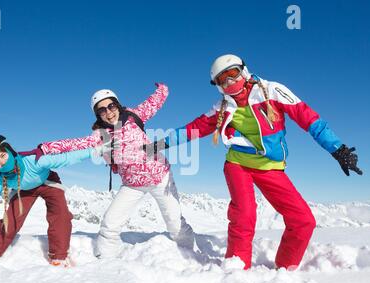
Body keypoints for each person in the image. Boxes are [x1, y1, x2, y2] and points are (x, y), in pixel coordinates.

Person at [145, 54, 363, 270]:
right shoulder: (221, 108)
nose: (230, 82)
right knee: (244, 214)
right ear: (218, 86)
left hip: (270, 167)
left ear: (244, 71)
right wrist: (159, 144)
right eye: (223, 79)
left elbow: (309, 118)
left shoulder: (272, 91)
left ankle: (286, 269)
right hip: (238, 165)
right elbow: (191, 130)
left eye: (233, 74)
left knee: (303, 220)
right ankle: (236, 268)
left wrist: (338, 149)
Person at [34, 83, 195, 258]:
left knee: (175, 223)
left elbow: (154, 102)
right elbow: (76, 143)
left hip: (160, 178)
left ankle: (189, 255)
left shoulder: (135, 115)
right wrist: (46, 148)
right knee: (110, 224)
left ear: (117, 104)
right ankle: (106, 261)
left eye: (111, 106)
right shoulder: (101, 134)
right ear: (98, 115)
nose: (108, 112)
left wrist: (162, 89)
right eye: (102, 110)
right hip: (132, 185)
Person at [0, 135, 112, 267]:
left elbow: (67, 158)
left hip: (48, 183)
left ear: (9, 150)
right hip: (23, 190)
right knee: (10, 220)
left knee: (60, 215)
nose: (2, 162)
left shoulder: (36, 160)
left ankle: (59, 257)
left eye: (2, 155)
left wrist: (96, 150)